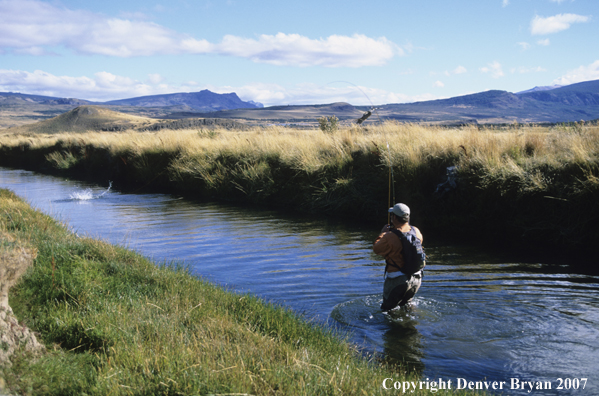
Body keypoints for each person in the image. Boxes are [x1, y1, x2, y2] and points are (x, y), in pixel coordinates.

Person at [373, 203, 424, 311]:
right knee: (407, 306)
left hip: (397, 279)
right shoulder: (417, 231)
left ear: (394, 217)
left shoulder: (389, 236)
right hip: (416, 278)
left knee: (387, 310)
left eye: (392, 215)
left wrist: (382, 233)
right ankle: (411, 326)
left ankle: (395, 327)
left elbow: (376, 249)